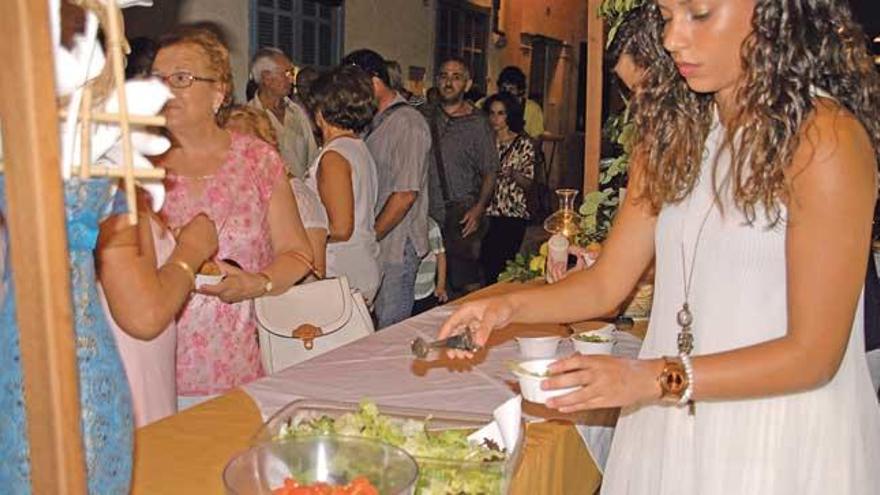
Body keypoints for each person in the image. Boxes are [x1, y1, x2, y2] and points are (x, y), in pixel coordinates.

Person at [438, 1, 880, 493]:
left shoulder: (825, 139)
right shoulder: (671, 134)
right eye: (668, 16)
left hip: (776, 431)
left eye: (699, 14)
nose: (672, 38)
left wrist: (653, 379)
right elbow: (608, 284)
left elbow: (814, 355)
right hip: (672, 414)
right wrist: (504, 307)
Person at [152, 28, 315, 407]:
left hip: (240, 364)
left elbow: (298, 253)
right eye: (157, 79)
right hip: (151, 367)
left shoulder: (257, 160)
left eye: (182, 78)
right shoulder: (137, 165)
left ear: (219, 91)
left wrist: (258, 283)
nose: (165, 90)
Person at [343, 49, 431, 328]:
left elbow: (406, 194)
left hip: (397, 246)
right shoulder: (373, 123)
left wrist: (372, 236)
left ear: (374, 80)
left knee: (390, 331)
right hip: (379, 242)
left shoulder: (408, 123)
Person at [304, 65, 382, 303]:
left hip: (340, 270)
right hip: (359, 265)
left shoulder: (334, 157)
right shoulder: (357, 147)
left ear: (320, 112)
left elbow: (340, 228)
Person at [226, 105, 329, 278]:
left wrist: (263, 282)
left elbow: (315, 272)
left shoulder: (296, 196)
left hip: (286, 300)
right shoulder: (240, 194)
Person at [426, 57, 499, 297]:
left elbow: (490, 170)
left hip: (460, 213)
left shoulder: (478, 124)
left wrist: (478, 209)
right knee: (433, 283)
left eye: (456, 77)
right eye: (444, 76)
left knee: (465, 282)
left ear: (467, 85)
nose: (449, 82)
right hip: (428, 214)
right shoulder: (425, 116)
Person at [479, 92, 536, 284]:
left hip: (513, 213)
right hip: (487, 211)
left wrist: (513, 174)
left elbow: (529, 183)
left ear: (509, 115)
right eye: (492, 113)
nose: (495, 119)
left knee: (504, 266)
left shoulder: (523, 144)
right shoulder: (485, 142)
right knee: (487, 264)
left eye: (501, 113)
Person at [248, 47, 318, 179]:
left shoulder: (297, 112)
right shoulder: (249, 118)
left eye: (292, 74)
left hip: (302, 195)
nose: (292, 80)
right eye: (286, 74)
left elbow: (312, 159)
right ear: (266, 78)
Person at [496, 66, 544, 139]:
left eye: (511, 89)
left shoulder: (533, 109)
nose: (506, 93)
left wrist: (520, 131)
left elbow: (536, 142)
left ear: (520, 90)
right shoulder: (488, 103)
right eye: (503, 89)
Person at [412, 217, 448, 315]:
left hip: (426, 291)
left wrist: (441, 285)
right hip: (405, 293)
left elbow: (440, 255)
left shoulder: (430, 226)